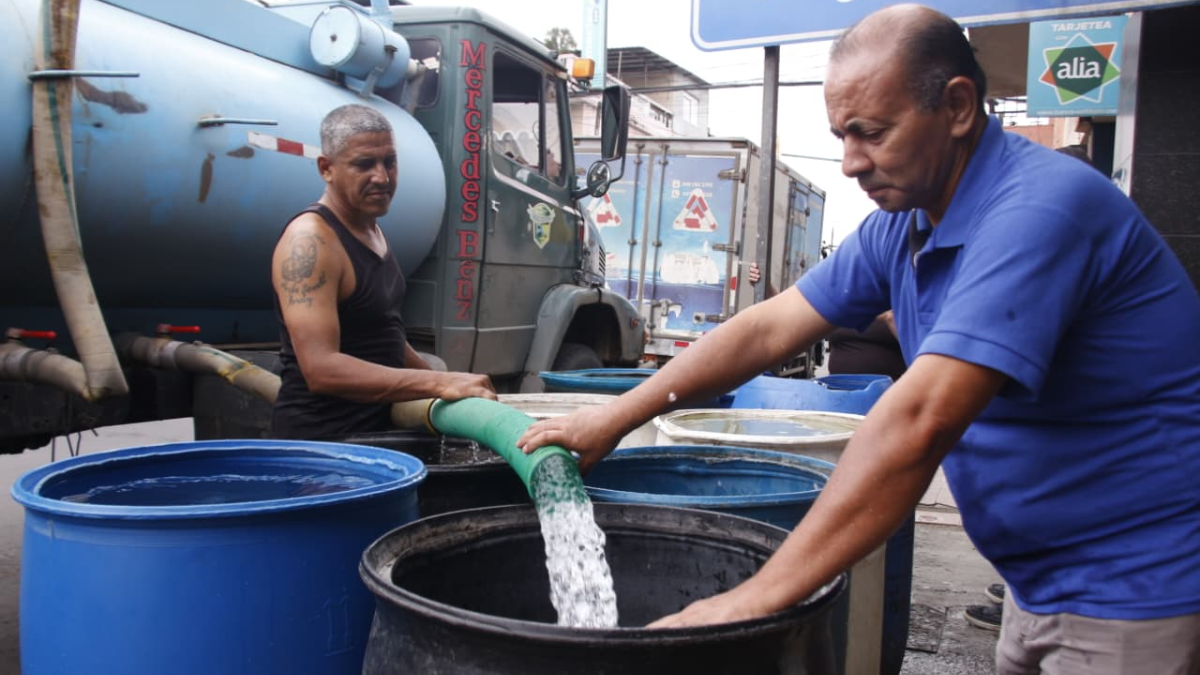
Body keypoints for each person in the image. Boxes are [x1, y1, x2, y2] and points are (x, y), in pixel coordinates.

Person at [518, 6, 1200, 674]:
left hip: (1136, 584)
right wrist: (613, 416)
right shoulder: (905, 224)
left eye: (871, 132)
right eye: (841, 133)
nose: (850, 161)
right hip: (1040, 582)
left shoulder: (1038, 210)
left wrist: (752, 597)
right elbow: (768, 326)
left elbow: (920, 421)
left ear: (958, 107)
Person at [271, 104, 495, 440]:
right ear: (326, 168)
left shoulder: (371, 229)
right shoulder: (311, 242)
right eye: (364, 164)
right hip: (320, 449)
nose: (382, 177)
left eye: (389, 161)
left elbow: (382, 332)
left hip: (373, 435)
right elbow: (321, 369)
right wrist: (440, 382)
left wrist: (450, 382)